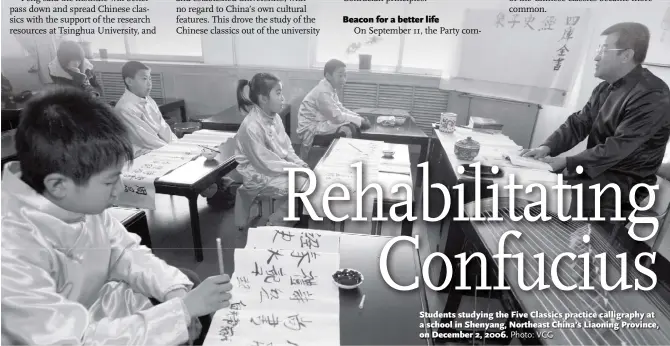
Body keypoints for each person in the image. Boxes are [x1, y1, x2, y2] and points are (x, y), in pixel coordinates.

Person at [1, 88, 233, 345]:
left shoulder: (69, 197)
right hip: (85, 334)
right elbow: (73, 339)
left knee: (186, 283)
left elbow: (123, 250)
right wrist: (179, 314)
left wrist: (174, 293)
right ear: (58, 185)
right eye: (110, 181)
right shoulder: (11, 250)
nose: (120, 189)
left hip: (108, 309)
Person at [522, 22, 670, 218]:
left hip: (624, 183)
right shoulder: (605, 88)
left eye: (603, 49)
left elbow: (619, 146)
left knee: (546, 195)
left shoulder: (652, 94)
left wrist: (565, 161)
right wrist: (546, 148)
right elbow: (579, 123)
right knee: (529, 181)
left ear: (626, 55)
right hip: (598, 174)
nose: (596, 56)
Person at [114, 61, 217, 198]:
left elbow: (163, 127)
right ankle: (207, 187)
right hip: (141, 153)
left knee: (196, 150)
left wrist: (178, 145)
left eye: (150, 78)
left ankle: (215, 184)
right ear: (129, 81)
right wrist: (175, 151)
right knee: (185, 160)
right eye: (144, 79)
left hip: (157, 147)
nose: (149, 83)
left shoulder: (149, 100)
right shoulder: (125, 108)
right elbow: (146, 139)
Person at [234, 73, 309, 227]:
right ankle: (273, 228)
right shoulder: (252, 126)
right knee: (301, 185)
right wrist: (296, 169)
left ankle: (283, 218)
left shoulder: (275, 117)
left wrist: (300, 164)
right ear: (263, 99)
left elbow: (287, 148)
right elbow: (265, 163)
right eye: (278, 93)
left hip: (274, 168)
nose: (283, 98)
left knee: (306, 181)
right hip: (258, 174)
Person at [296, 59, 371, 161]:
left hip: (321, 123)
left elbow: (340, 108)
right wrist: (360, 121)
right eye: (340, 76)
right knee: (348, 129)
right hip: (311, 130)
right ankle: (344, 161)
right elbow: (337, 117)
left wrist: (358, 117)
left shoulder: (329, 88)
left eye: (345, 75)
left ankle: (351, 159)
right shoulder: (323, 92)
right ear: (328, 76)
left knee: (353, 125)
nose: (344, 80)